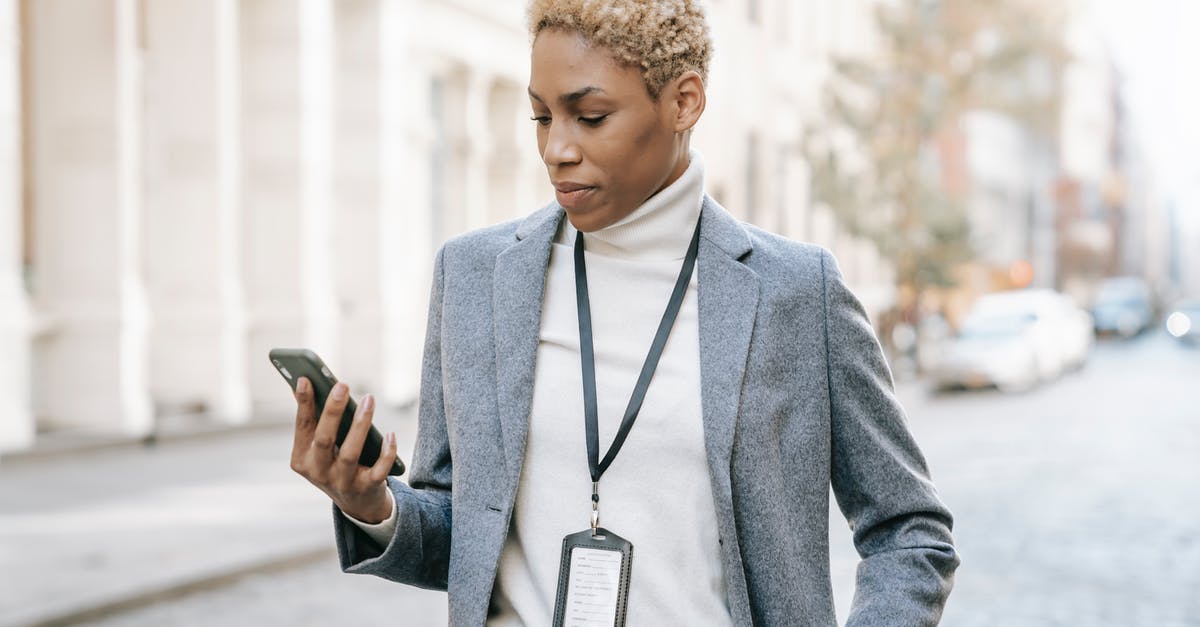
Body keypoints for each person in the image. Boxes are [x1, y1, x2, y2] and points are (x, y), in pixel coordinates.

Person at [288, 1, 959, 625]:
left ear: (683, 102)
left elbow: (910, 529)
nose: (557, 149)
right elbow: (460, 536)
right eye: (542, 117)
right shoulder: (472, 276)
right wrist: (371, 504)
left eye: (591, 115)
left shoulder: (796, 292)